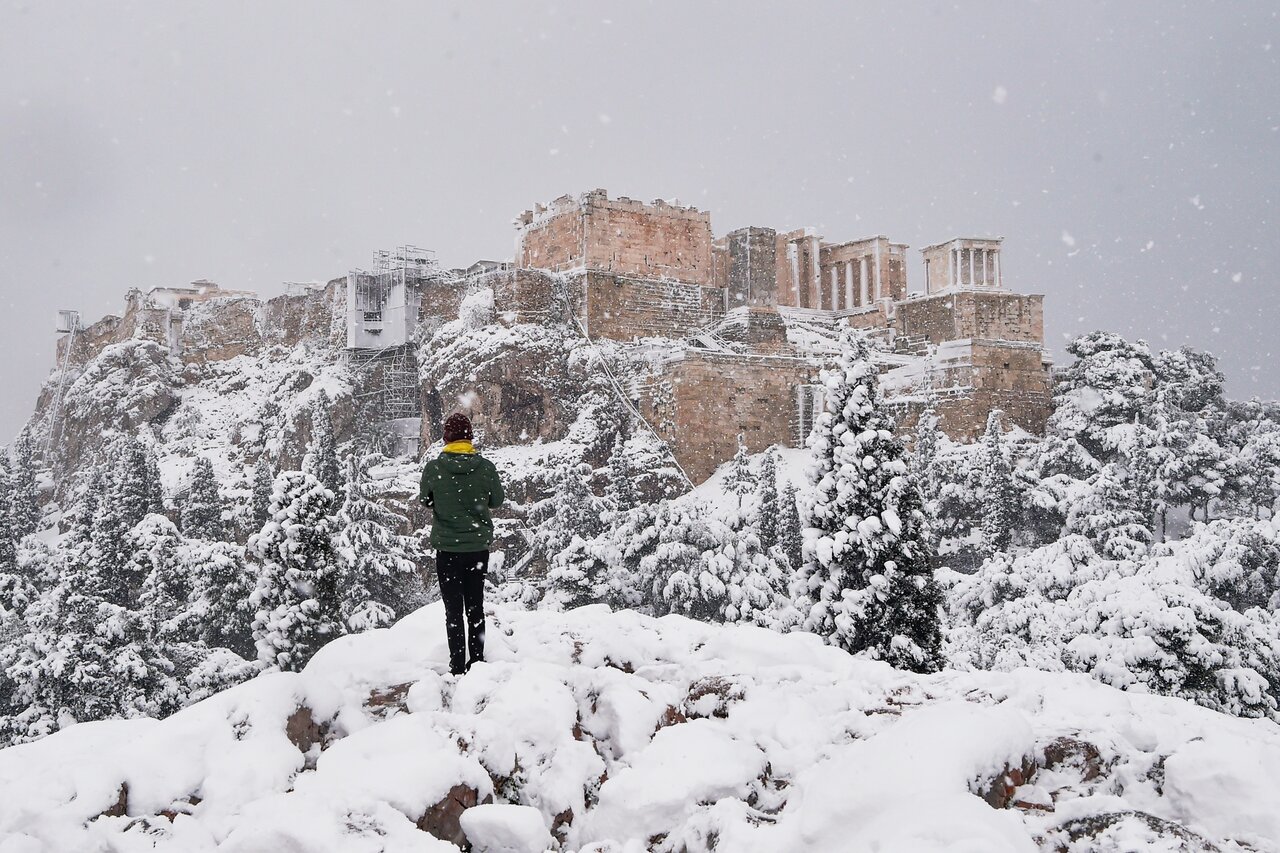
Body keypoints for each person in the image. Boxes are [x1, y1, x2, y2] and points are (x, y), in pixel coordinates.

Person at [419, 412, 505, 675]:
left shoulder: (434, 469)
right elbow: (497, 501)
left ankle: (457, 666)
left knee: (453, 611)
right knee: (475, 607)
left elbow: (425, 500)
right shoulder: (485, 467)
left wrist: (445, 503)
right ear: (470, 437)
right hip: (476, 549)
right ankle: (477, 663)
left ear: (446, 438)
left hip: (447, 550)